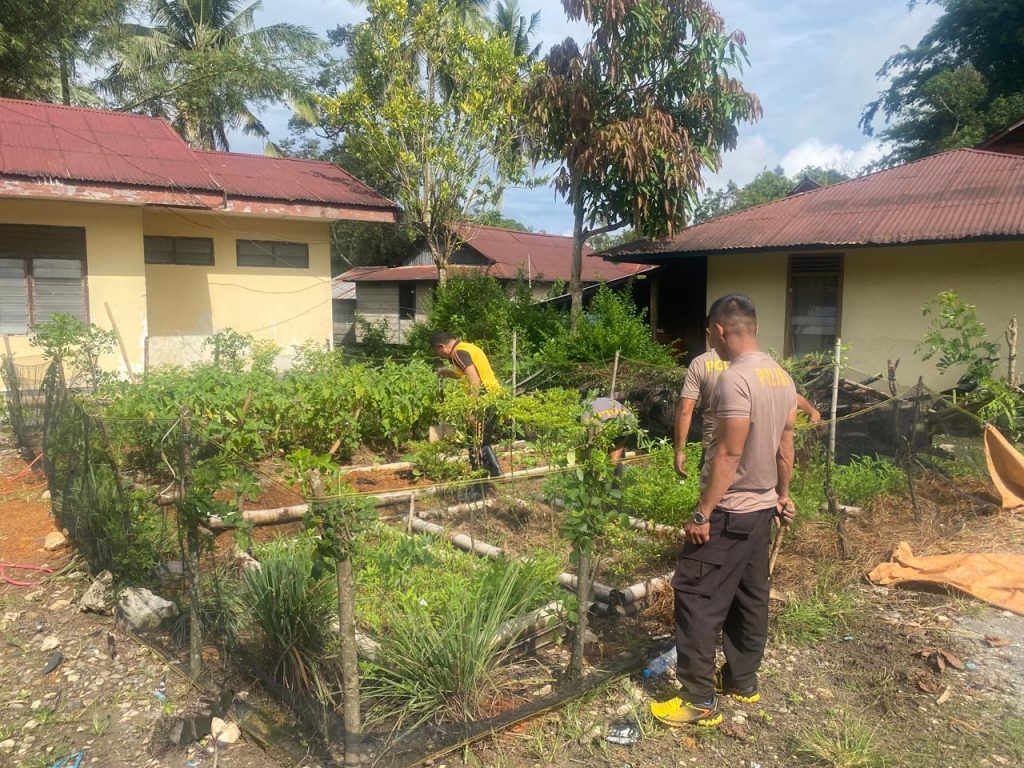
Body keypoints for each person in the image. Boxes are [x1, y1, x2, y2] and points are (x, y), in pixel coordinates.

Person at [651, 294, 797, 728]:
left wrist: (702, 513)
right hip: (762, 509)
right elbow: (785, 445)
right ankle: (742, 681)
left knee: (696, 597)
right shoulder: (781, 376)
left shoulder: (735, 379)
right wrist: (782, 495)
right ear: (753, 327)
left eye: (709, 333)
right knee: (751, 596)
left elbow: (730, 453)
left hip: (730, 511)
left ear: (717, 330)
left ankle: (698, 699)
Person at [675, 326, 820, 479]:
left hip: (715, 447)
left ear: (712, 333)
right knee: (750, 491)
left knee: (715, 491)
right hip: (754, 449)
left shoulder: (700, 363)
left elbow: (685, 409)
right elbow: (787, 393)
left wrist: (680, 450)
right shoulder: (762, 364)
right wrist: (811, 410)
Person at [430, 332, 502, 477]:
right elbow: (464, 373)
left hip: (482, 400)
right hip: (491, 397)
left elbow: (474, 379)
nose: (440, 356)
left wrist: (471, 408)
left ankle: (480, 481)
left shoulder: (458, 353)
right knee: (482, 441)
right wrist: (446, 372)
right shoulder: (467, 348)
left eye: (438, 353)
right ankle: (494, 474)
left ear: (441, 347)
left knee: (475, 442)